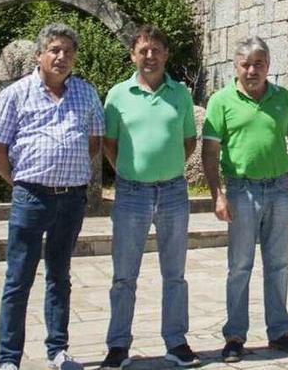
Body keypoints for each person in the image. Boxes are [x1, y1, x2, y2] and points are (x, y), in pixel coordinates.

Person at [0, 23, 104, 370]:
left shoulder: (86, 93)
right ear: (39, 55)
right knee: (18, 277)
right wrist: (19, 182)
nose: (61, 56)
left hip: (71, 200)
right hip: (31, 198)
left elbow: (95, 141)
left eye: (68, 50)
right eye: (54, 49)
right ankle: (8, 359)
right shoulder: (17, 93)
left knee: (60, 275)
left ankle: (58, 351)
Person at [201, 38, 288, 362]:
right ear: (236, 67)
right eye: (246, 64)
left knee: (279, 264)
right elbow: (210, 152)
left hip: (278, 189)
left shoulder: (283, 99)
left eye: (259, 64)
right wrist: (217, 194)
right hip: (240, 190)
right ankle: (235, 335)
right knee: (239, 266)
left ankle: (279, 332)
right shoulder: (221, 101)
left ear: (268, 66)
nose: (252, 70)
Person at [99, 26, 198, 369]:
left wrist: (164, 167)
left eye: (156, 50)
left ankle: (176, 341)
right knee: (124, 274)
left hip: (173, 192)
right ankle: (118, 345)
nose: (150, 57)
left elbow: (189, 141)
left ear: (166, 54)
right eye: (143, 51)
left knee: (175, 273)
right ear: (133, 55)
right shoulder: (117, 95)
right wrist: (132, 171)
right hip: (131, 194)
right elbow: (109, 144)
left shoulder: (180, 94)